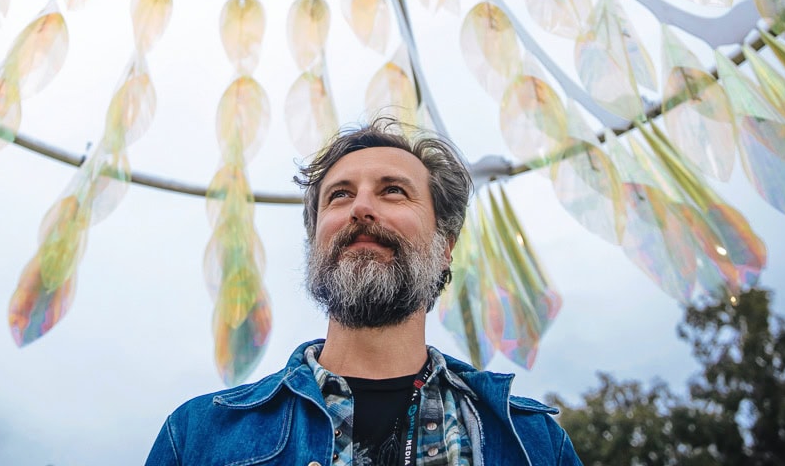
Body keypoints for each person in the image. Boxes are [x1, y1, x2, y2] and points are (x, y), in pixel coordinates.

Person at [145, 118, 582, 466]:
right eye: (340, 195)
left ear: (445, 247)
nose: (361, 208)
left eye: (393, 191)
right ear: (315, 241)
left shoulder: (536, 443)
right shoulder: (197, 437)